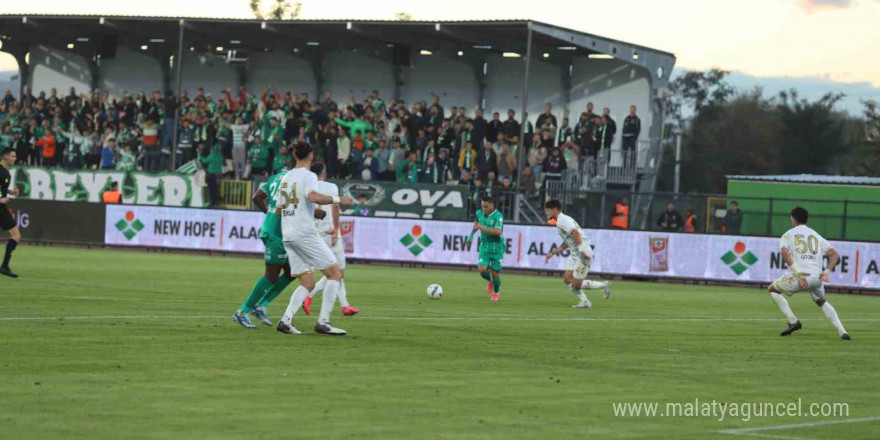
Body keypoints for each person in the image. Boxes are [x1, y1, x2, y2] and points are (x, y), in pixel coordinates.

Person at [275, 142, 354, 336]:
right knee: (335, 274)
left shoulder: (285, 177)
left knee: (308, 282)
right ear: (310, 156)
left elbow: (279, 209)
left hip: (288, 234)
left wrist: (311, 213)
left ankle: (285, 321)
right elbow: (313, 196)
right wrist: (338, 199)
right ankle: (323, 322)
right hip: (304, 234)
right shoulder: (309, 175)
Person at [232, 160, 302, 329]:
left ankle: (261, 305)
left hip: (275, 230)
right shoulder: (295, 181)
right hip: (276, 235)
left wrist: (270, 215)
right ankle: (242, 311)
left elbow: (257, 196)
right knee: (271, 275)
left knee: (292, 271)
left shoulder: (277, 177)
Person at [768, 207, 850, 340]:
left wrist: (798, 274)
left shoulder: (788, 234)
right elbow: (834, 255)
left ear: (793, 219)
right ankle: (843, 332)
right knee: (822, 302)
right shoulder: (815, 235)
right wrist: (826, 272)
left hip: (802, 277)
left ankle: (793, 321)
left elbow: (784, 253)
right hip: (817, 277)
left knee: (772, 289)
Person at [303, 162, 360, 317]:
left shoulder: (307, 187)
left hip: (314, 233)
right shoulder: (331, 186)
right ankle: (312, 298)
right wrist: (336, 229)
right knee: (338, 272)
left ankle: (344, 305)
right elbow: (335, 207)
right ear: (323, 173)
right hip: (329, 232)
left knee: (333, 272)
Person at [543, 199, 610, 308]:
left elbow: (576, 233)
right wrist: (553, 252)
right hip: (575, 254)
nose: (547, 213)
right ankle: (585, 302)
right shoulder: (560, 221)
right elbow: (568, 242)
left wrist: (582, 249)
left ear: (555, 210)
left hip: (582, 252)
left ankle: (604, 285)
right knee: (567, 279)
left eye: (548, 210)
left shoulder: (563, 220)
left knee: (576, 285)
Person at [465, 197, 505, 302]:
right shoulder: (479, 213)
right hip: (485, 246)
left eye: (486, 207)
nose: (483, 209)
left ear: (492, 206)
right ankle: (490, 280)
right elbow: (476, 225)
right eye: (482, 206)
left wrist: (482, 228)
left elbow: (497, 232)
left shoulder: (498, 216)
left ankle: (496, 293)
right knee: (482, 270)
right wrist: (470, 237)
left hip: (497, 247)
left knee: (495, 272)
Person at [0, 148, 21, 277]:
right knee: (16, 236)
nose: (15, 158)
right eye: (13, 156)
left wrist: (10, 192)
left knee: (16, 236)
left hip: (1, 207)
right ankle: (4, 266)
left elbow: (1, 188)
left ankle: (5, 266)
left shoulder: (6, 173)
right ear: (5, 157)